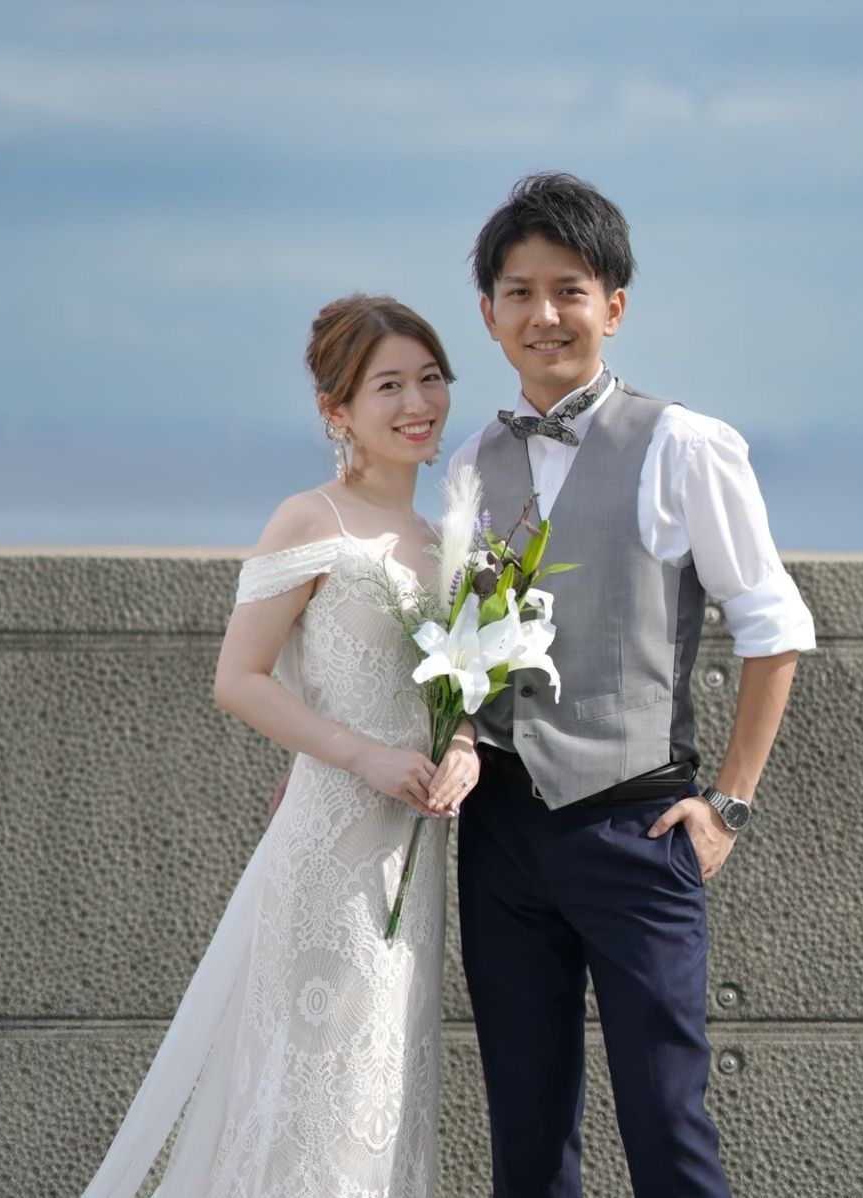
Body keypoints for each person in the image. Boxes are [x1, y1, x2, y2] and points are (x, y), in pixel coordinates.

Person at [448, 173, 816, 1197]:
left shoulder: (684, 444)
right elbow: (457, 644)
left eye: (569, 290)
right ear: (488, 315)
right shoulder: (472, 463)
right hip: (501, 831)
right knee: (525, 1135)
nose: (545, 314)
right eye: (519, 293)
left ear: (613, 306)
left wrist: (728, 805)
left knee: (666, 1124)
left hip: (636, 827)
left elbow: (774, 629)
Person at [80, 294, 479, 1198]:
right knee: (315, 1089)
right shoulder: (311, 520)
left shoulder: (448, 541)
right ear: (338, 410)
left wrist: (465, 745)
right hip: (330, 846)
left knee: (385, 1084)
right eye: (388, 386)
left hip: (412, 854)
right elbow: (240, 678)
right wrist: (364, 756)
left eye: (430, 379)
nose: (418, 403)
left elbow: (459, 685)